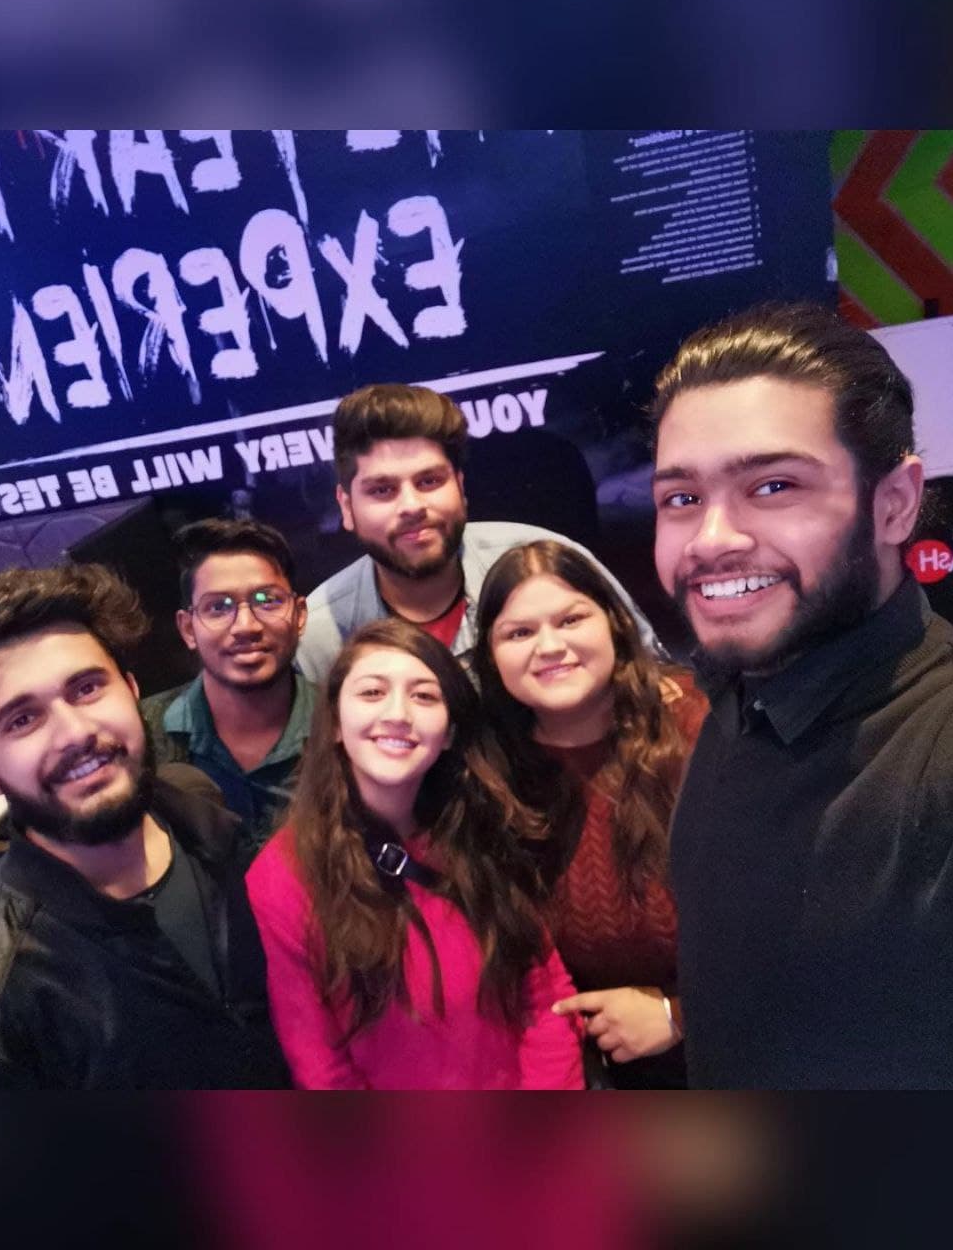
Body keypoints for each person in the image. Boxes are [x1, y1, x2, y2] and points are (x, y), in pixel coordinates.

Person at [650, 300, 953, 1088]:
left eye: (773, 485)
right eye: (681, 498)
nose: (711, 539)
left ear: (894, 504)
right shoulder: (733, 708)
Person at [0, 563, 291, 1089]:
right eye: (22, 719)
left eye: (86, 688)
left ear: (131, 688)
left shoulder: (197, 806)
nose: (75, 732)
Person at [246, 618, 585, 1089]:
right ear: (336, 724)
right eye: (372, 693)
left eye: (424, 696)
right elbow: (320, 1065)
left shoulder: (480, 828)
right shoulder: (284, 874)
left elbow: (546, 997)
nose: (398, 714)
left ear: (449, 733)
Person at [474, 539, 706, 1087]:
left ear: (615, 624)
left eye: (571, 619)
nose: (550, 647)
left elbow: (787, 920)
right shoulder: (483, 770)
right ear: (490, 655)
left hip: (718, 1050)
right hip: (569, 1067)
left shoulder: (700, 727)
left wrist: (678, 1015)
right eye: (519, 633)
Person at [295, 382, 660, 680]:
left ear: (460, 487)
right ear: (347, 507)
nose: (411, 506)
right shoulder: (319, 635)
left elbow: (659, 686)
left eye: (429, 481)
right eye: (382, 490)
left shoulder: (552, 564)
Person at [142, 518, 314, 859]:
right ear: (188, 629)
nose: (246, 626)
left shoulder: (349, 728)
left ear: (299, 615)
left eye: (267, 600)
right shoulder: (138, 738)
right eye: (218, 607)